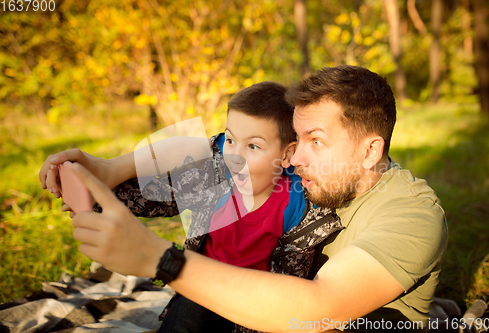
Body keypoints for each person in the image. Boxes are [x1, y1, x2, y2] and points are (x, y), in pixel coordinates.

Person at [40, 65, 447, 333]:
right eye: (296, 140)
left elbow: (320, 309)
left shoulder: (412, 214)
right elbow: (207, 149)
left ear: (370, 151)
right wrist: (108, 169)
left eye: (316, 142)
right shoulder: (298, 172)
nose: (296, 157)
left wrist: (159, 259)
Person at [40, 81, 343, 333]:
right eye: (230, 140)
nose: (234, 156)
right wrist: (94, 196)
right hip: (202, 282)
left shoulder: (296, 207)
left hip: (257, 299)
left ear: (287, 154)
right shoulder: (216, 175)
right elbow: (158, 193)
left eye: (253, 146)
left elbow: (288, 288)